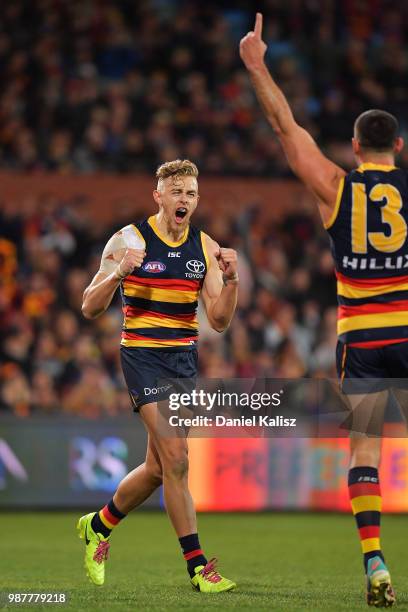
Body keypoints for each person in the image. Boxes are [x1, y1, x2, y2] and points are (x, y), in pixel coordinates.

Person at [239, 13, 408, 608]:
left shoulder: (336, 187)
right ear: (401, 148)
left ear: (357, 147)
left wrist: (257, 65)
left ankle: (375, 561)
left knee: (366, 451)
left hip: (361, 339)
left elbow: (286, 129)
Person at [78, 159, 238, 593]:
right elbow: (90, 307)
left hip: (183, 362)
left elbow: (219, 321)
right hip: (143, 358)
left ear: (196, 199)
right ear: (159, 195)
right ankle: (199, 568)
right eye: (176, 191)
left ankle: (98, 525)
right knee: (179, 460)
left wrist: (233, 280)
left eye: (190, 193)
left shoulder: (205, 247)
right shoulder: (129, 240)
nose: (183, 199)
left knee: (156, 468)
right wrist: (117, 272)